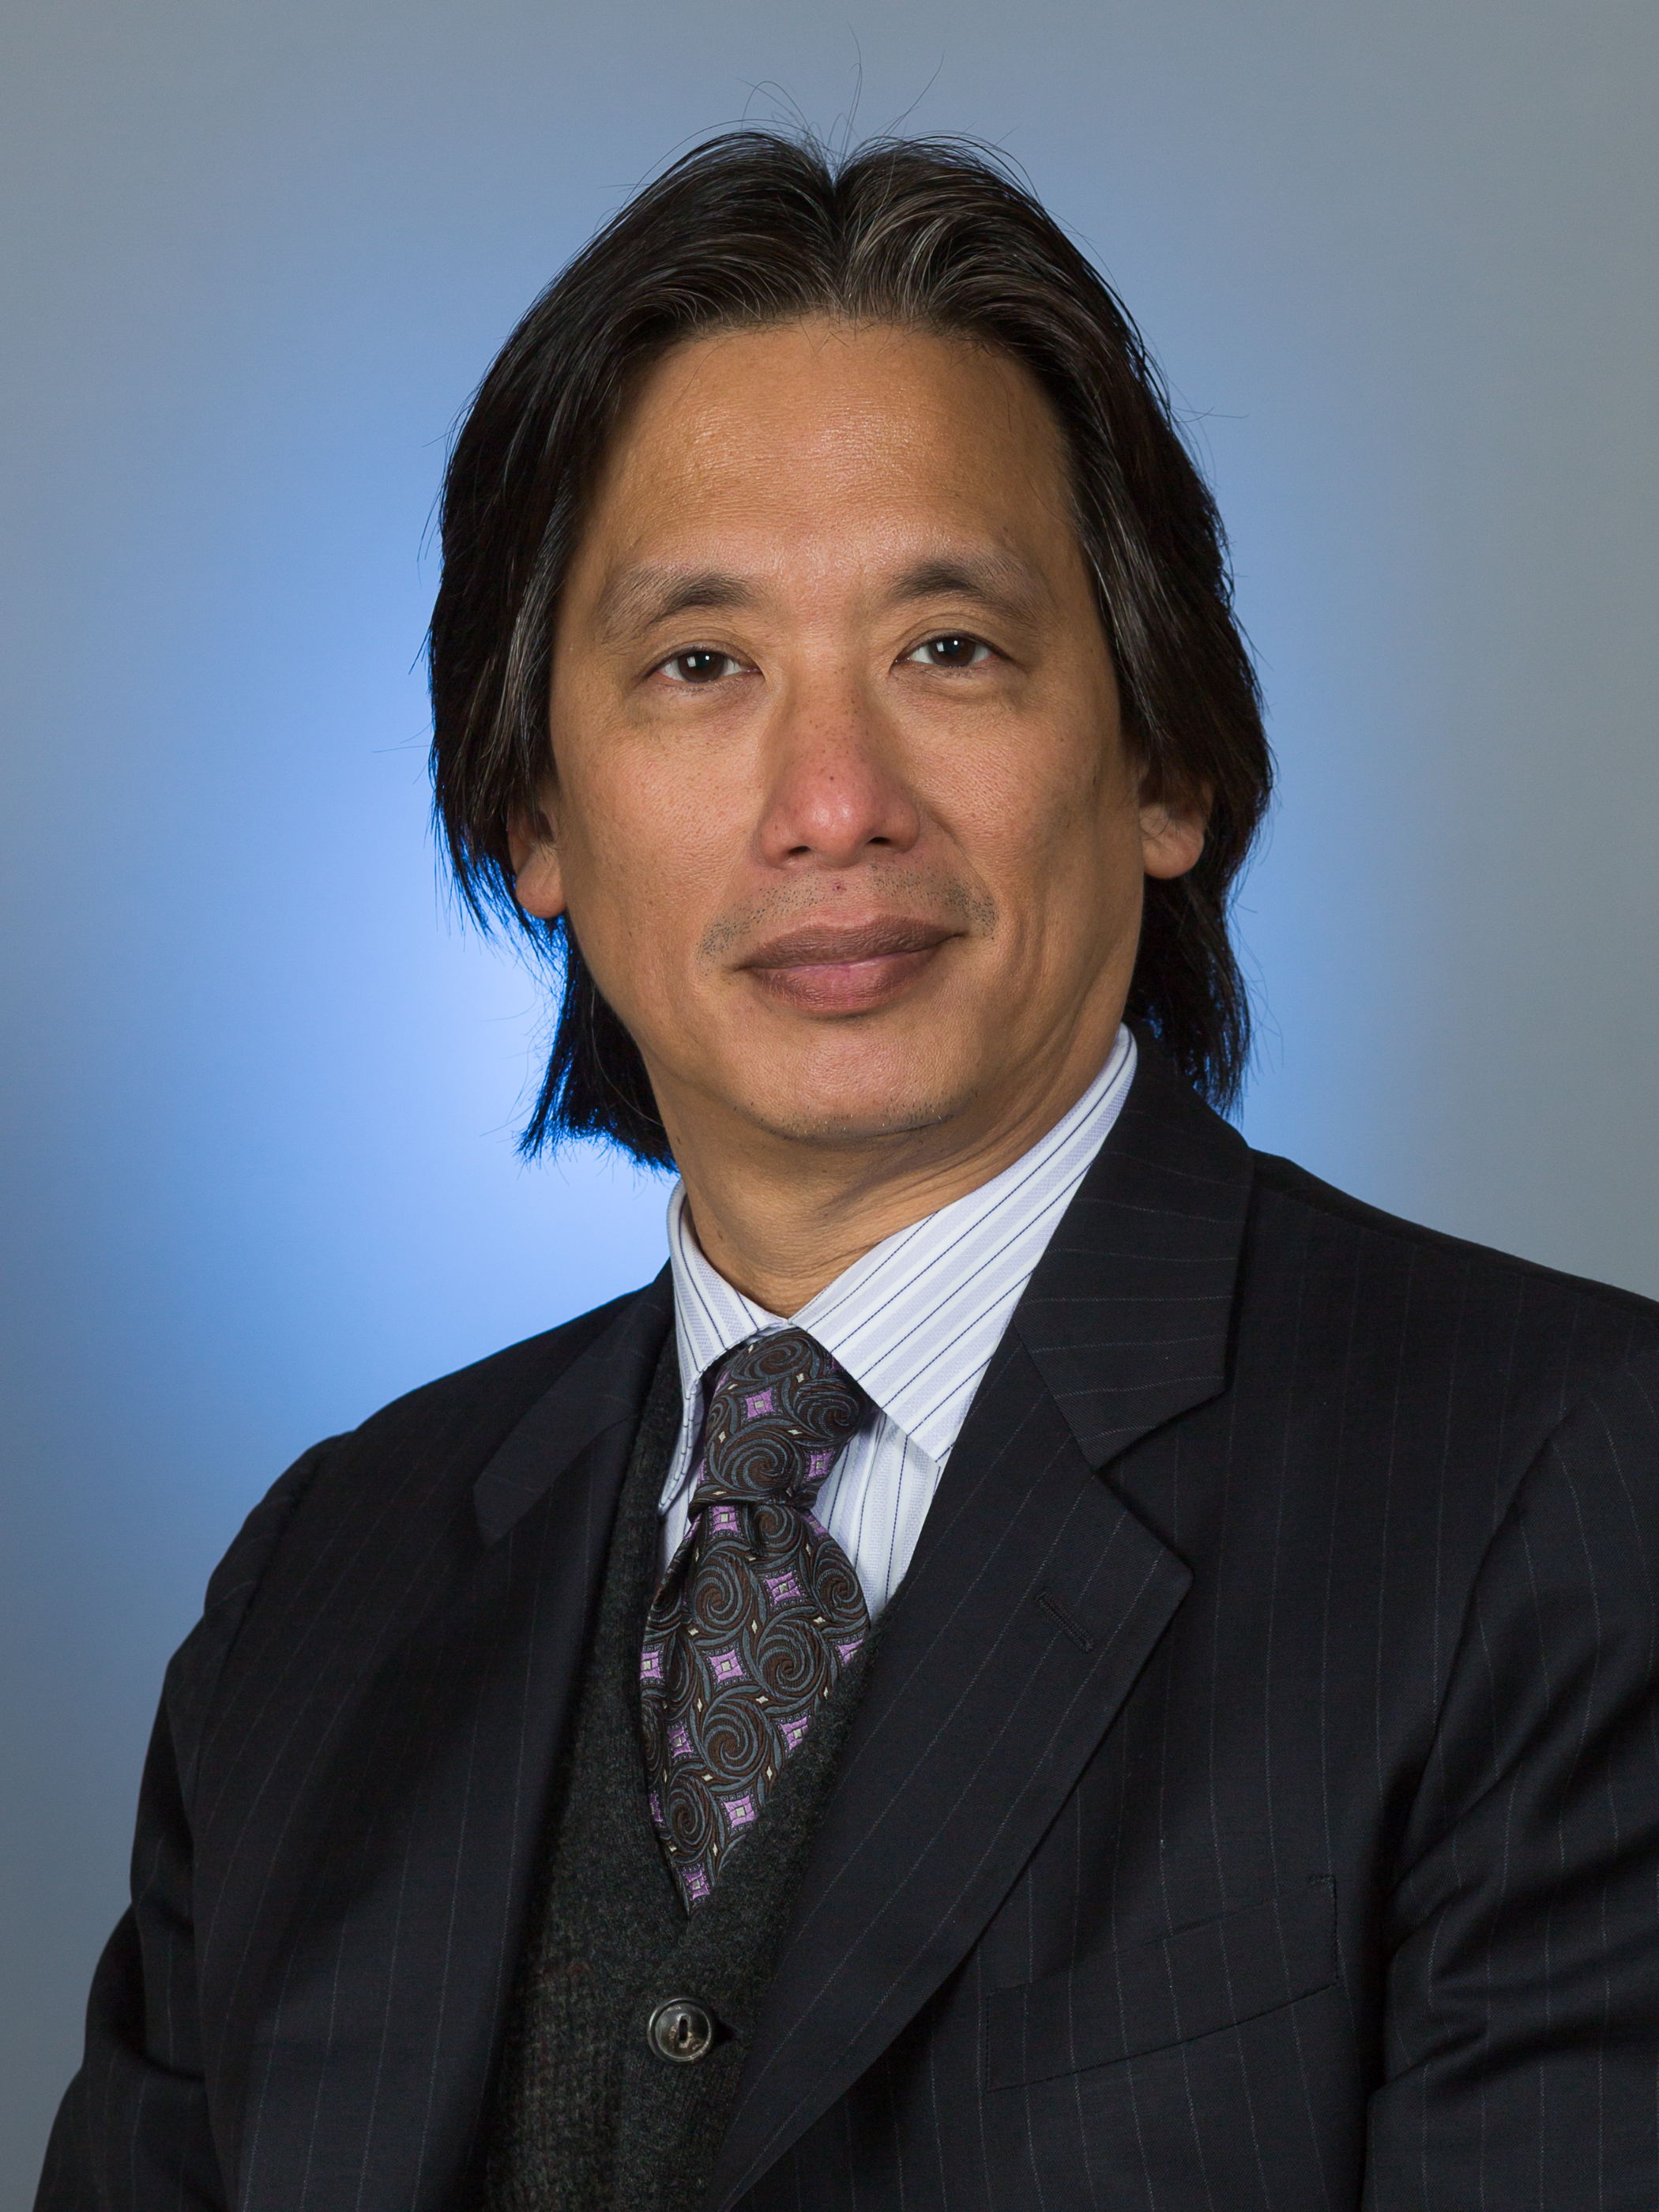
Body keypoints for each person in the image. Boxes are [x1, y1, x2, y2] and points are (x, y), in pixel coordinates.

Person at [37, 130, 1659, 2212]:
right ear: (534, 815)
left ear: (1161, 759)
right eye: (700, 664)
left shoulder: (1554, 1493)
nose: (831, 803)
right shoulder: (321, 1593)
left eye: (949, 651)